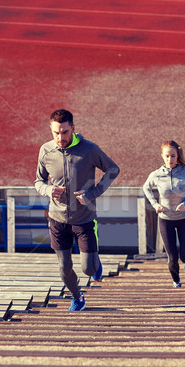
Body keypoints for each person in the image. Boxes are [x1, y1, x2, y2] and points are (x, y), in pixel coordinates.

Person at [35, 109, 120, 311]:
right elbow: (38, 181)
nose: (60, 137)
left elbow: (112, 169)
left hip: (84, 219)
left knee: (89, 270)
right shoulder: (45, 151)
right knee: (64, 268)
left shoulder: (89, 150)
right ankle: (77, 297)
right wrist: (48, 190)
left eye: (64, 132)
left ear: (73, 128)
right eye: (56, 132)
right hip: (57, 219)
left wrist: (92, 193)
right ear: (51, 129)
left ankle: (95, 262)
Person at [143, 140, 185, 288]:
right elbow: (146, 188)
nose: (170, 159)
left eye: (173, 156)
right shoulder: (156, 175)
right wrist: (155, 204)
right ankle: (176, 281)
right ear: (162, 156)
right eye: (167, 156)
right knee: (173, 258)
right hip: (165, 220)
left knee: (184, 255)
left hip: (184, 219)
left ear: (177, 155)